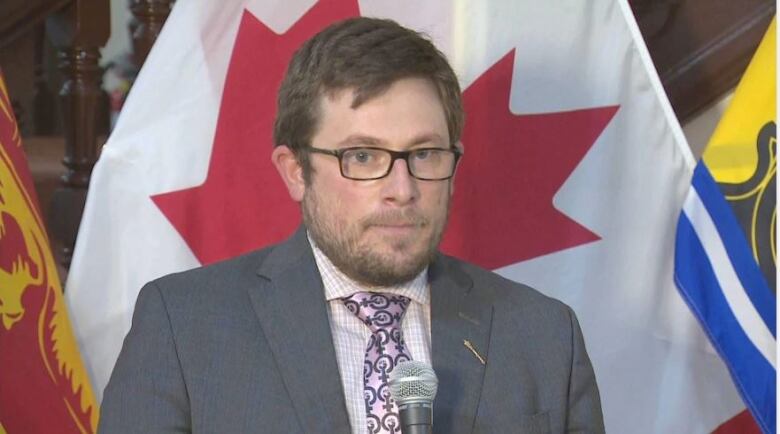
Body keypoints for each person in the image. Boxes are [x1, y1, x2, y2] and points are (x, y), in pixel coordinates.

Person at [98, 17, 604, 434]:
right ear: (296, 171)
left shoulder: (544, 335)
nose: (402, 189)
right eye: (363, 156)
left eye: (425, 154)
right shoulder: (184, 326)